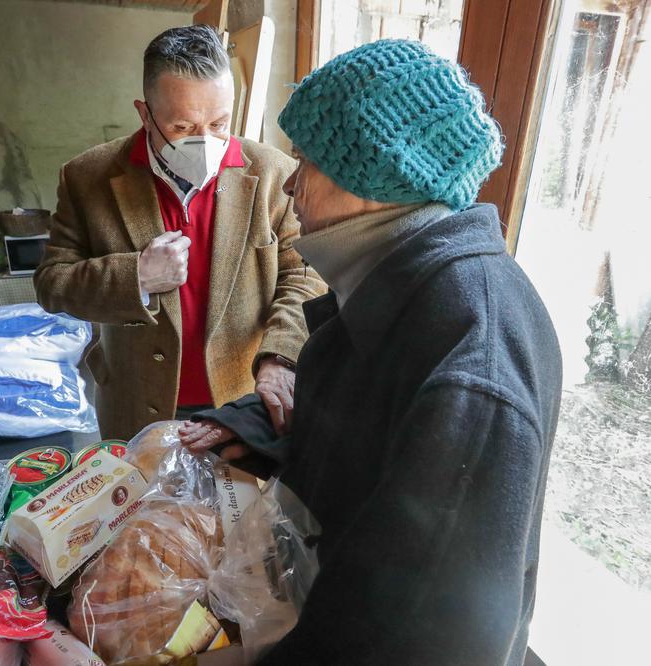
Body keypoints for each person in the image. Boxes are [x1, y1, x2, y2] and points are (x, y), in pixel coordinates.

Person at [180, 39, 563, 664]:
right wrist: (256, 430)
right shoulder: (404, 284)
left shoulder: (472, 362)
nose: (292, 187)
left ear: (372, 177)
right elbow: (361, 439)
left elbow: (420, 636)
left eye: (306, 163)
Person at [34, 25, 324, 440]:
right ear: (144, 112)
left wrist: (281, 355)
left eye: (219, 123)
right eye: (182, 127)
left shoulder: (274, 173)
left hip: (239, 400)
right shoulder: (88, 177)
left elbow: (304, 273)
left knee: (237, 505)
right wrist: (136, 277)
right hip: (135, 401)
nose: (205, 142)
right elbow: (51, 284)